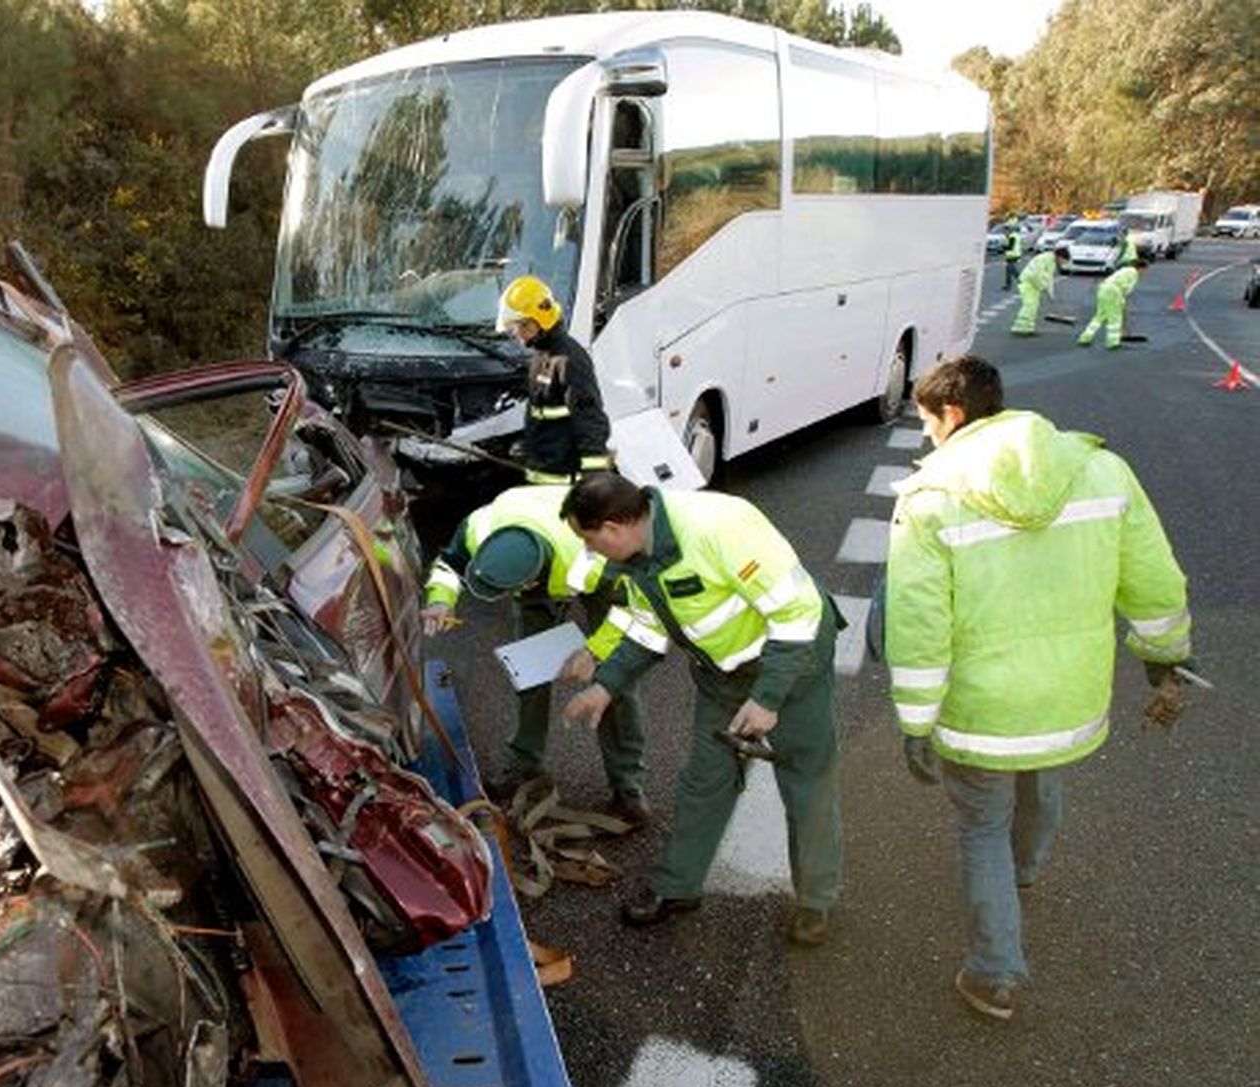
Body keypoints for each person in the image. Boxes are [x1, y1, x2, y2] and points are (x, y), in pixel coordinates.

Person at [886, 355, 1194, 1021]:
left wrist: (915, 721)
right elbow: (1154, 577)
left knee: (980, 826)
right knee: (1039, 773)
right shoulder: (1103, 471)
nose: (927, 436)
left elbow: (918, 623)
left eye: (927, 422)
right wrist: (1163, 655)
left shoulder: (932, 498)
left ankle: (995, 969)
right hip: (1068, 696)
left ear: (955, 414)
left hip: (980, 707)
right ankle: (1025, 870)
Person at [558, 472, 843, 945]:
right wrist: (605, 686)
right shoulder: (638, 559)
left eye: (588, 541)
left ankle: (816, 901)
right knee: (704, 781)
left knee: (808, 783)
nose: (589, 553)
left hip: (793, 666)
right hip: (721, 676)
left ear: (612, 528)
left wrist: (768, 699)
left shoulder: (722, 527)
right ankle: (677, 886)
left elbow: (798, 614)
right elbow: (649, 630)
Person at [423, 484, 648, 821]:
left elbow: (629, 614)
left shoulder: (598, 556)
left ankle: (627, 784)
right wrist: (440, 599)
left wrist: (595, 652)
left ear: (532, 580)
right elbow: (448, 565)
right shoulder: (480, 529)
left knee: (616, 683)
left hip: (596, 581)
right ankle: (525, 760)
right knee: (530, 668)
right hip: (542, 560)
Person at [495, 275, 614, 485]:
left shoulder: (570, 360)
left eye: (522, 327)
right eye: (514, 328)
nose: (518, 335)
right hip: (542, 475)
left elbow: (589, 417)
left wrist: (595, 476)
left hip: (562, 482)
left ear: (539, 321)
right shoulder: (541, 355)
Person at [1077, 254, 1140, 349]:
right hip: (1113, 292)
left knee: (1099, 316)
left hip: (1103, 289)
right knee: (1115, 318)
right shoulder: (1134, 273)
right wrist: (1122, 302)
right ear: (1141, 268)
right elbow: (1126, 289)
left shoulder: (1123, 270)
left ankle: (1085, 338)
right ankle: (1113, 343)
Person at [1010, 247, 1068, 336]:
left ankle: (1028, 328)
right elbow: (1037, 274)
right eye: (1063, 261)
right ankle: (1019, 329)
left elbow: (1049, 279)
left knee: (1034, 306)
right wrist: (1042, 286)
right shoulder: (1045, 259)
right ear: (1060, 257)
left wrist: (1051, 294)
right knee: (1029, 305)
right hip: (1028, 282)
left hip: (1034, 285)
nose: (1062, 263)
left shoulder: (1052, 261)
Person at [1002, 224, 1023, 290]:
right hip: (1014, 254)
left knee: (1012, 270)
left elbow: (1010, 247)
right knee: (1009, 270)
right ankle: (1008, 285)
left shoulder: (1012, 236)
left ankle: (1021, 281)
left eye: (1005, 231)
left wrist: (1003, 248)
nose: (1004, 232)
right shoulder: (1016, 236)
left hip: (1012, 255)